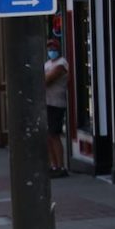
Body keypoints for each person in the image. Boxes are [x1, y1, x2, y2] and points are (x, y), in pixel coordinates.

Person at [45, 39, 70, 178]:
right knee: (48, 136)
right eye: (49, 48)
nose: (51, 50)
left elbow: (47, 80)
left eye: (53, 48)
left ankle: (61, 166)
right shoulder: (48, 64)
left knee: (54, 135)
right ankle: (54, 165)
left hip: (56, 103)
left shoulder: (62, 64)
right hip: (47, 103)